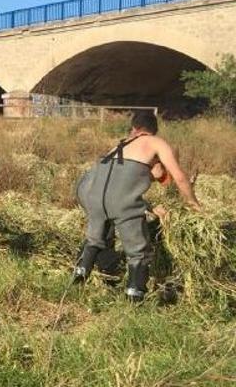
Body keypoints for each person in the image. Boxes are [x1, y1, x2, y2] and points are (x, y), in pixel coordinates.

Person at [73, 111, 201, 301]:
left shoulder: (120, 145)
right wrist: (194, 205)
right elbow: (179, 177)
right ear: (153, 130)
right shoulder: (156, 142)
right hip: (121, 202)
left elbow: (119, 184)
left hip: (92, 196)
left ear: (134, 128)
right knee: (139, 252)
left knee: (95, 240)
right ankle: (134, 300)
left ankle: (77, 281)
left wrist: (149, 206)